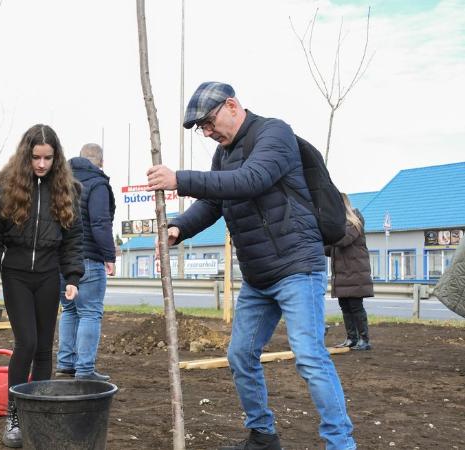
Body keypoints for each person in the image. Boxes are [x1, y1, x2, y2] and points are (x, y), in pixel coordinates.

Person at [146, 82, 356, 450]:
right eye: (203, 130)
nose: (208, 134)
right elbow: (214, 202)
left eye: (209, 124)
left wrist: (179, 179)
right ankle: (262, 435)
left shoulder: (274, 133)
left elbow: (250, 180)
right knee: (240, 355)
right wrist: (178, 228)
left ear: (232, 105)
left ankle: (340, 443)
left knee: (309, 356)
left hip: (297, 267)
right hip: (259, 276)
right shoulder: (223, 155)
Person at [0, 124, 84, 448]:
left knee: (43, 348)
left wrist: (72, 276)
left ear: (56, 157)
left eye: (47, 158)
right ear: (27, 156)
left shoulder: (67, 190)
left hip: (49, 275)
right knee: (26, 342)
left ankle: (39, 414)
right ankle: (15, 414)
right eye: (36, 157)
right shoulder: (6, 188)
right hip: (17, 274)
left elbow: (73, 238)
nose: (41, 164)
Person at [55, 143, 116, 381]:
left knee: (69, 310)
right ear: (99, 162)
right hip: (88, 258)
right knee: (90, 313)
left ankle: (65, 365)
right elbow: (100, 222)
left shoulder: (60, 182)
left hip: (61, 260)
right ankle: (85, 370)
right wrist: (109, 255)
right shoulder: (98, 183)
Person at [326, 193, 373, 351]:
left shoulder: (354, 222)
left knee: (355, 306)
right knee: (345, 306)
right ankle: (351, 338)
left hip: (354, 273)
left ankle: (364, 339)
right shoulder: (339, 224)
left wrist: (326, 233)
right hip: (343, 274)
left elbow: (342, 240)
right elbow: (330, 249)